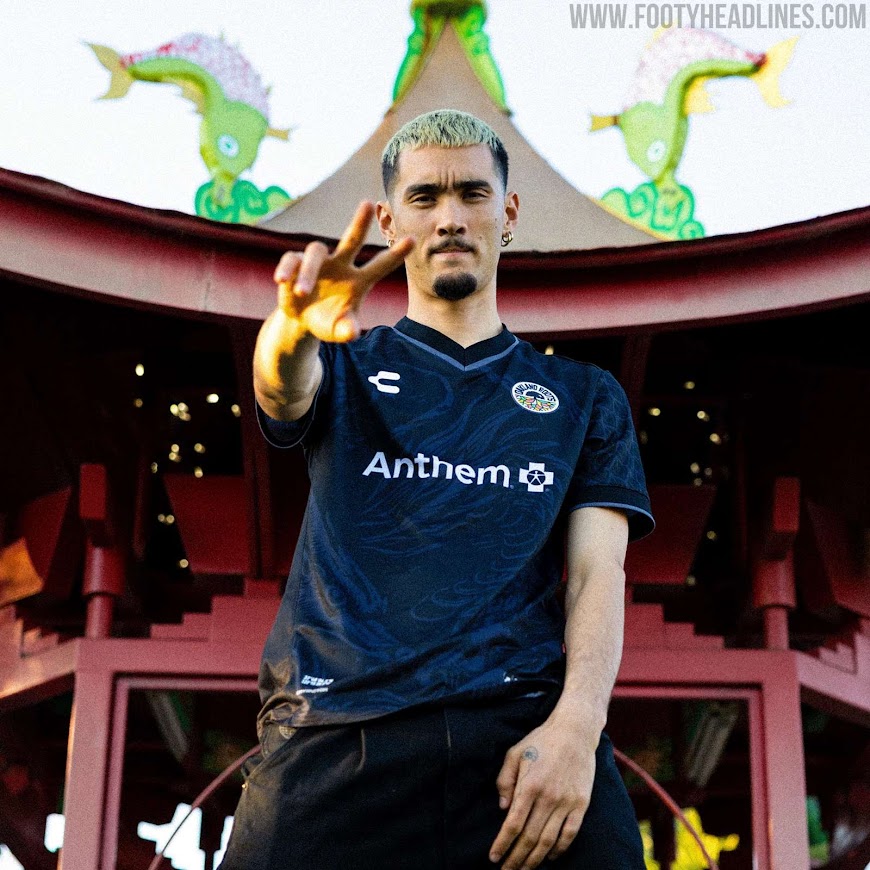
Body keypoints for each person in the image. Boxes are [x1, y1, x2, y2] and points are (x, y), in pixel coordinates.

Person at [218, 109, 654, 870]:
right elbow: (282, 389)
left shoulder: (584, 396)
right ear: (390, 222)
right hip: (337, 728)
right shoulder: (344, 362)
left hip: (522, 739)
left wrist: (577, 730)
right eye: (424, 197)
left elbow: (597, 573)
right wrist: (292, 328)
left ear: (508, 213)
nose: (450, 217)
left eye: (471, 193)